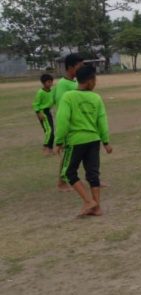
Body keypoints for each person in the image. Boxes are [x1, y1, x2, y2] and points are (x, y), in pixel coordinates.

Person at [55, 65, 113, 217]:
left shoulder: (68, 96)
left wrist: (59, 141)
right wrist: (105, 141)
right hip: (94, 140)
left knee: (68, 173)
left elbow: (62, 120)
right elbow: (102, 122)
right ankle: (97, 207)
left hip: (75, 141)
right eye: (95, 79)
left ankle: (89, 202)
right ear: (89, 81)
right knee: (93, 174)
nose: (96, 82)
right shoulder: (96, 98)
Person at [52, 53, 85, 191]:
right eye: (80, 66)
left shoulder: (76, 82)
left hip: (81, 124)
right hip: (70, 126)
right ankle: (61, 182)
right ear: (71, 67)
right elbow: (61, 107)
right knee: (68, 155)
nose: (82, 68)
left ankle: (94, 179)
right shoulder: (62, 84)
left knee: (87, 153)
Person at [33, 73, 56, 155]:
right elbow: (36, 104)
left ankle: (50, 149)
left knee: (52, 131)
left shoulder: (52, 91)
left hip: (48, 112)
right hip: (43, 113)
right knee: (48, 131)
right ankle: (45, 147)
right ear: (43, 83)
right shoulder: (40, 92)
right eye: (48, 82)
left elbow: (53, 100)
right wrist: (38, 113)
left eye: (51, 82)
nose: (50, 83)